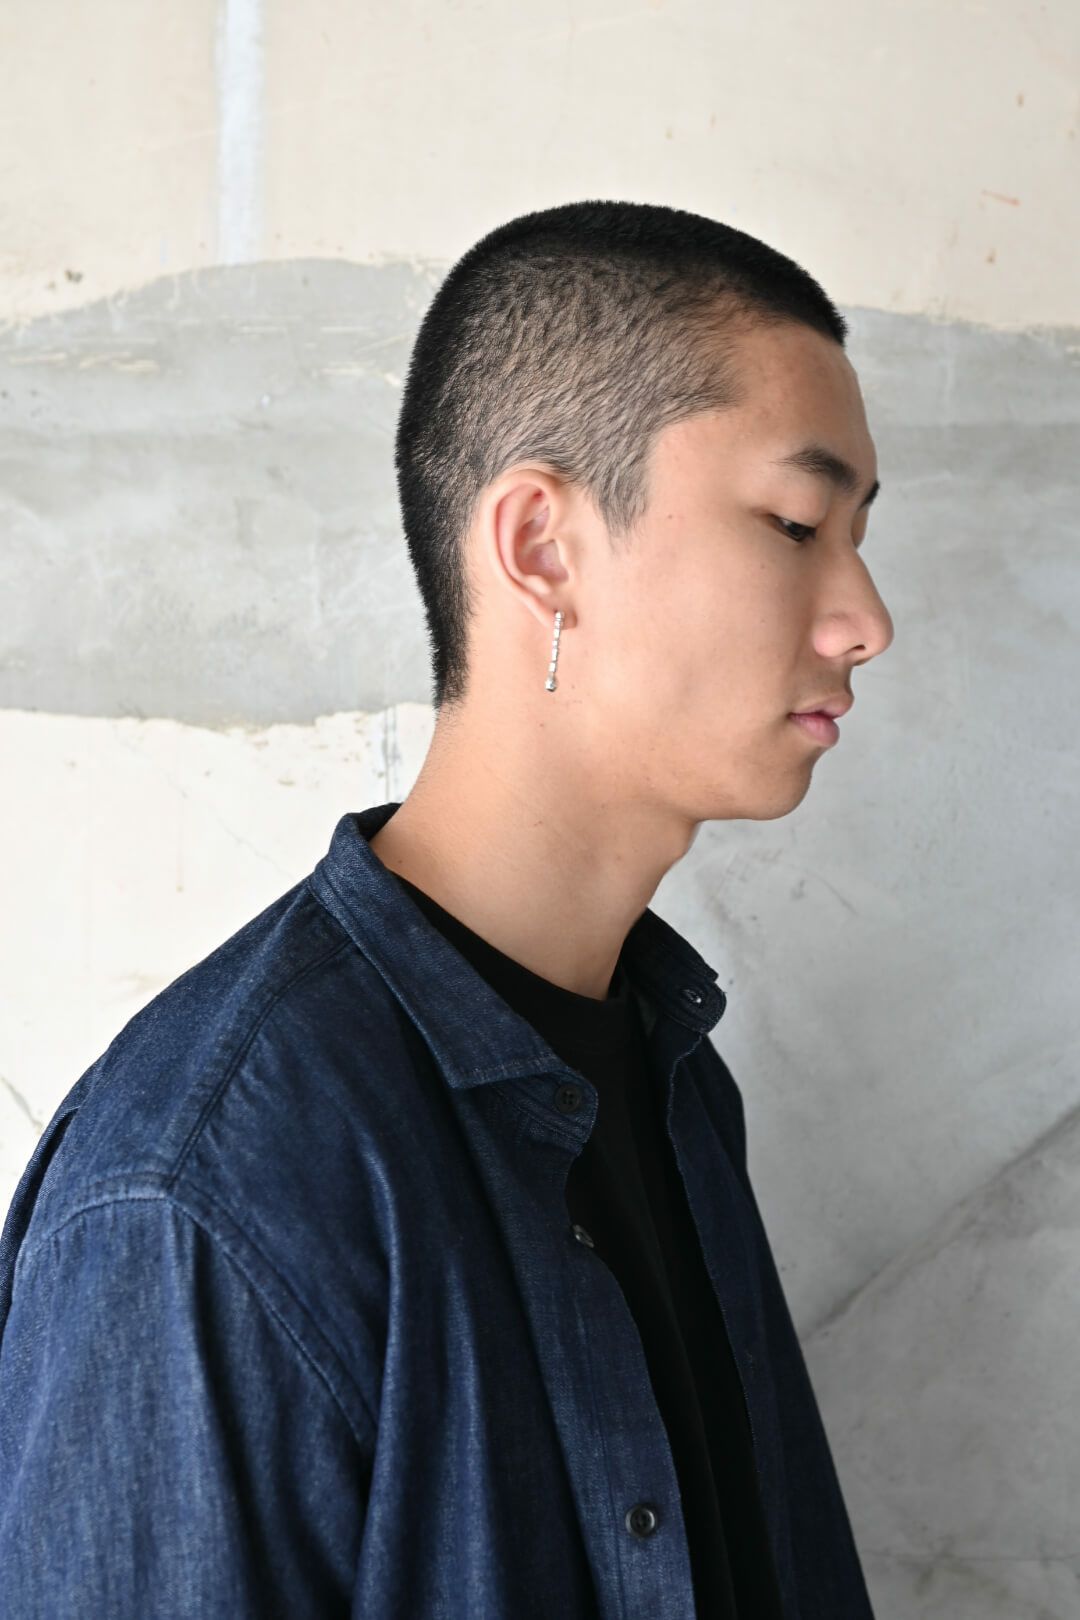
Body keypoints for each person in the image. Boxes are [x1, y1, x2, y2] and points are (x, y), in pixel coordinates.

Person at [0, 199, 893, 1618]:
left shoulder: (672, 1073)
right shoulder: (205, 1186)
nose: (865, 618)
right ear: (542, 546)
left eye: (856, 534)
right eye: (795, 524)